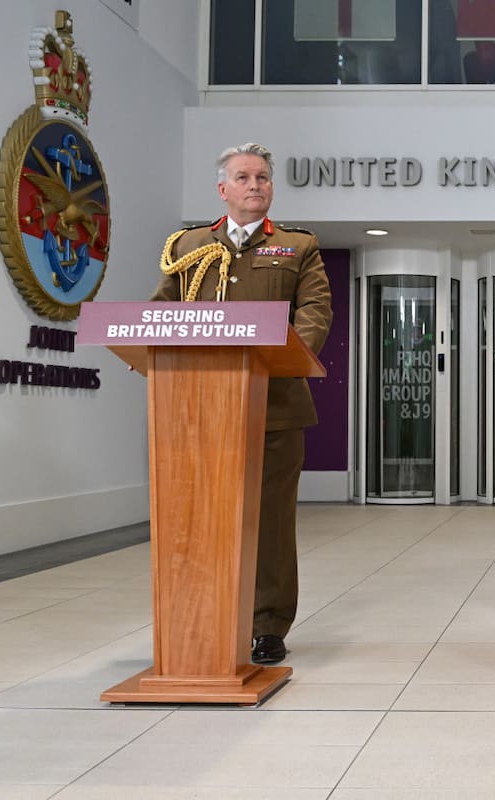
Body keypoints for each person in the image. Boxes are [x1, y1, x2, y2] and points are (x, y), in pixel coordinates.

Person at [151, 143, 332, 665]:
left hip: (274, 406)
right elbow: (162, 311)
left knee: (271, 520)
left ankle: (268, 624)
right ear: (223, 189)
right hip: (198, 409)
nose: (255, 185)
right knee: (198, 514)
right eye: (243, 177)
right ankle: (203, 612)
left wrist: (285, 356)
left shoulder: (298, 247)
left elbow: (315, 313)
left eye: (263, 177)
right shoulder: (188, 244)